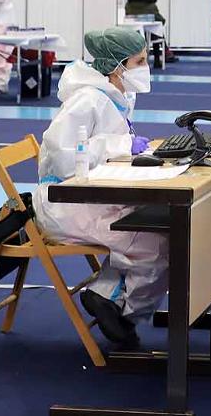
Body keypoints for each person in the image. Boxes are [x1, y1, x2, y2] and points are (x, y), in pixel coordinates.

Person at [31, 26, 163, 350]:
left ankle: (108, 296)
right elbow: (64, 156)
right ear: (117, 64)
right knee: (155, 239)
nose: (144, 68)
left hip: (88, 196)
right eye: (139, 61)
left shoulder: (114, 96)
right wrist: (118, 145)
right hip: (64, 202)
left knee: (157, 226)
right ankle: (114, 304)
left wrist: (124, 148)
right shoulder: (87, 99)